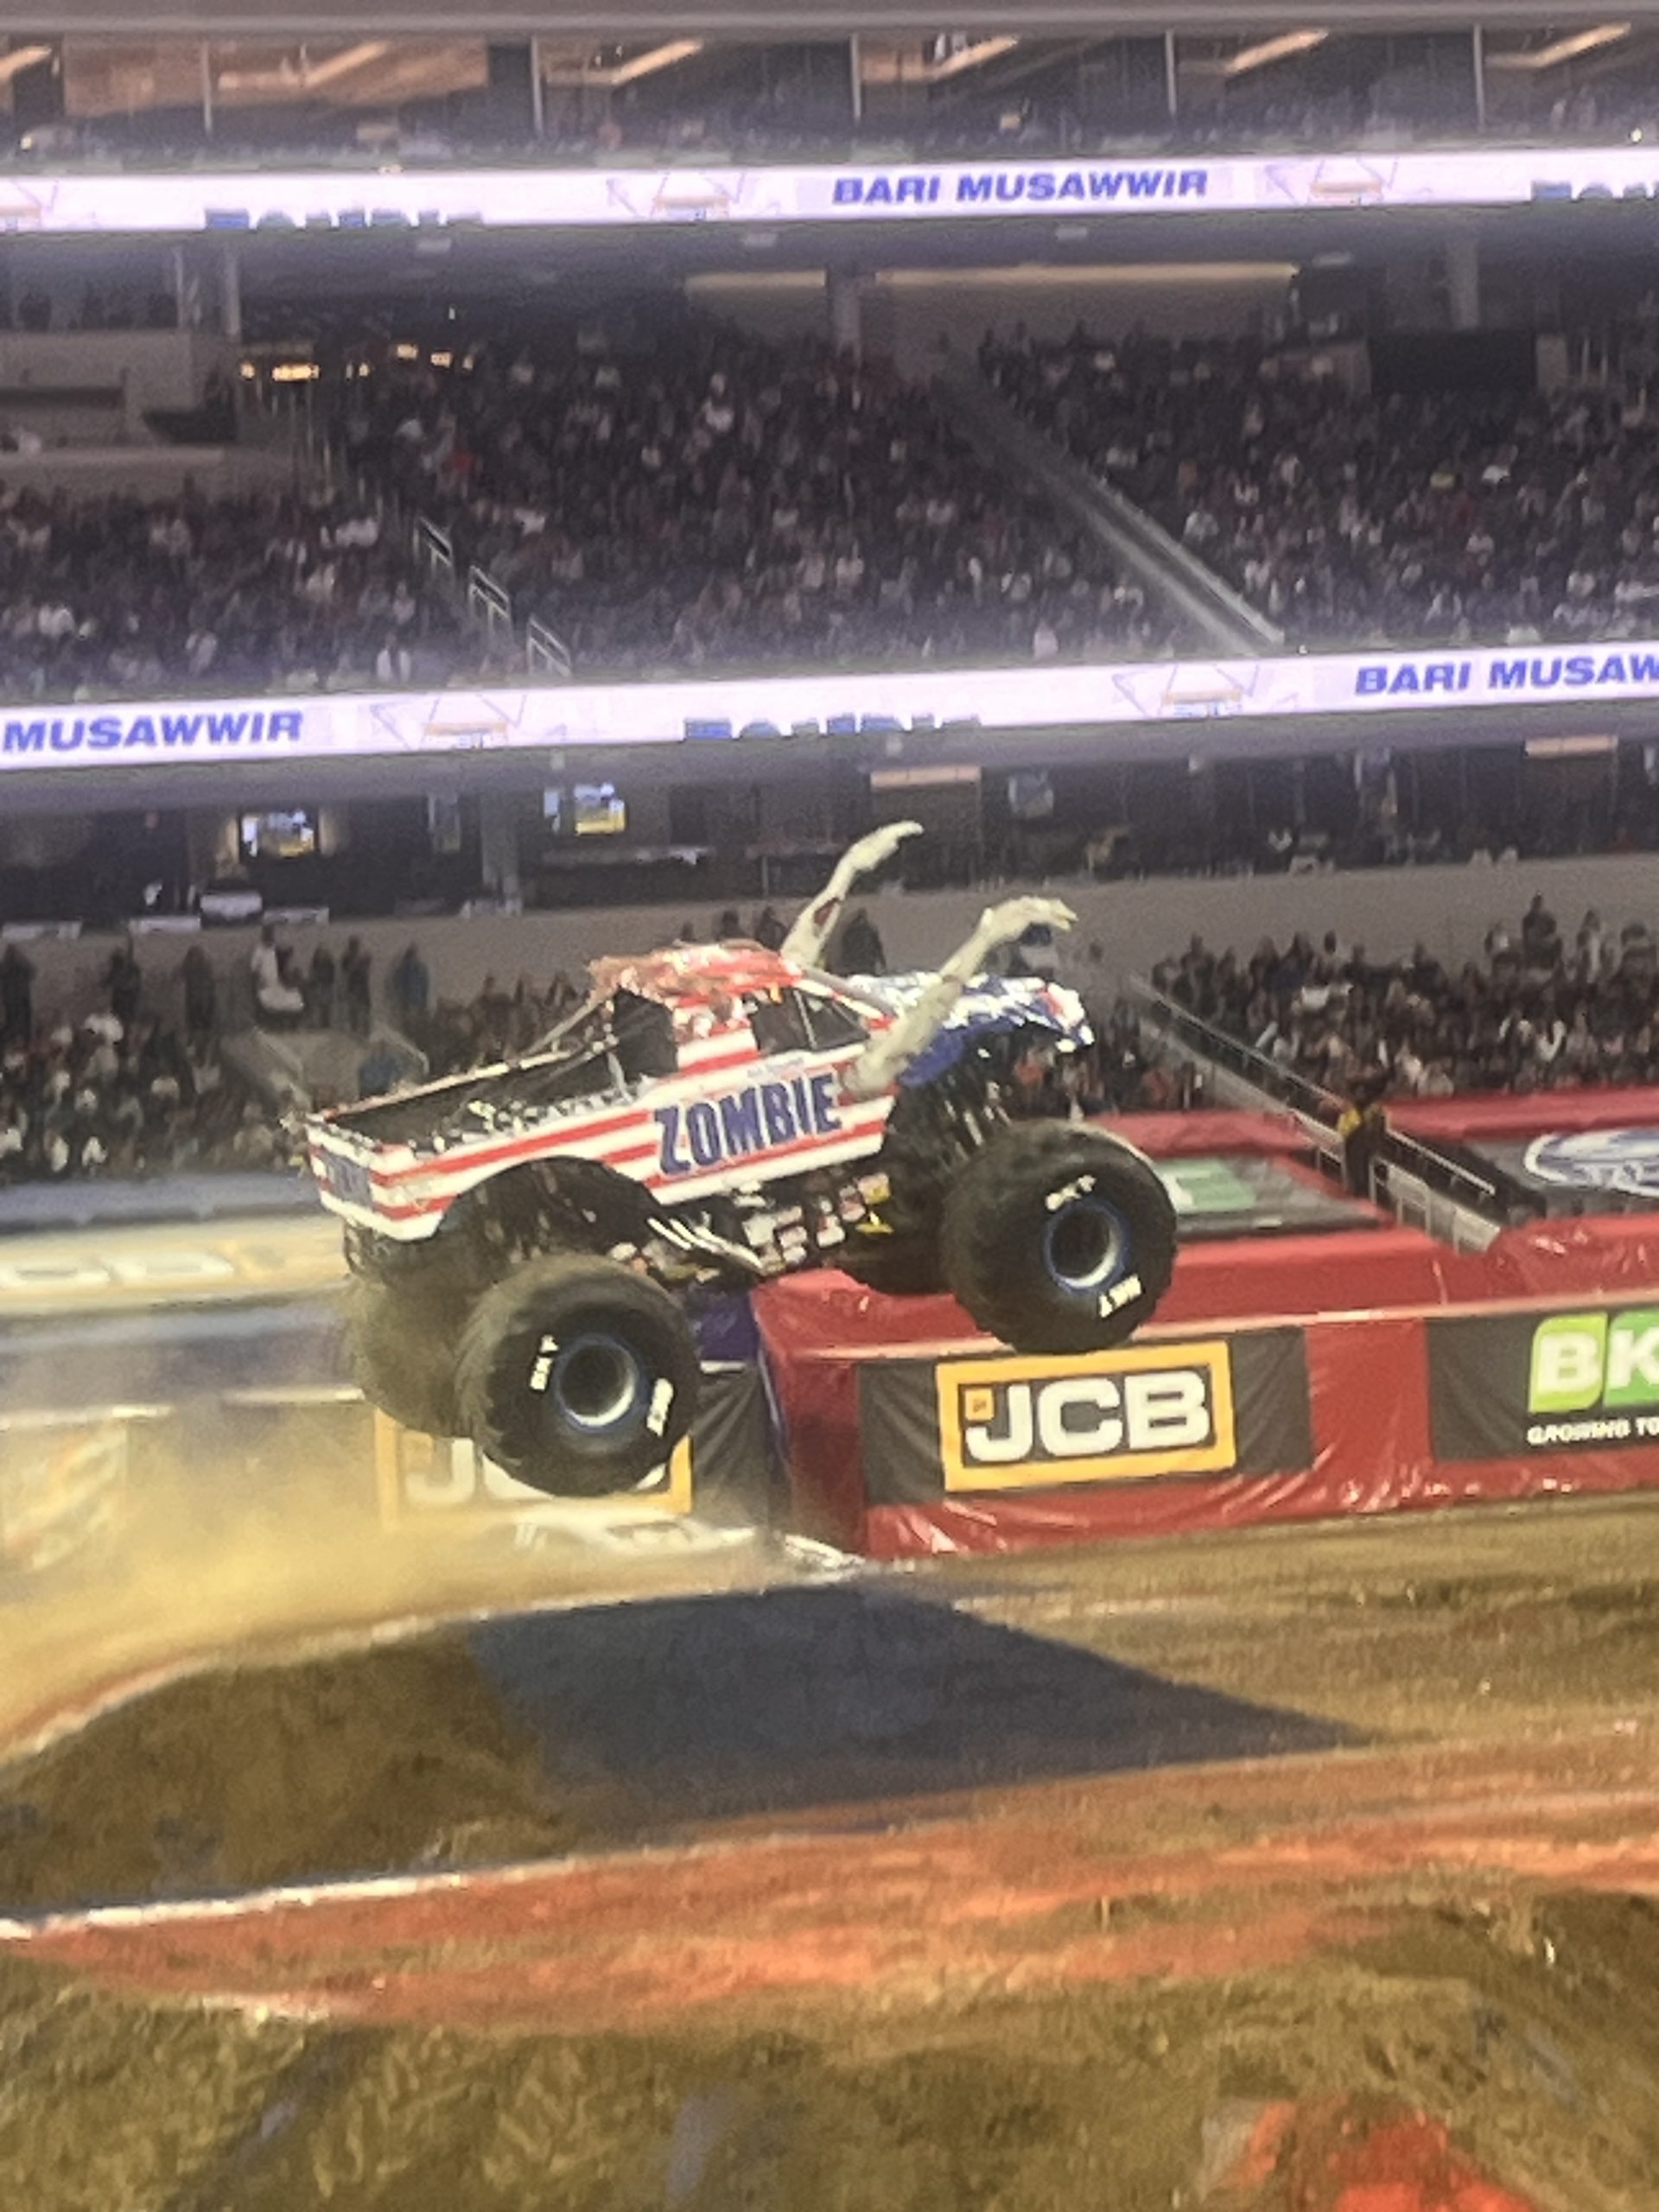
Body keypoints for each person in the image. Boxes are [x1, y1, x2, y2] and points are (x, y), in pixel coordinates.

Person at [250, 925, 304, 1027]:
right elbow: (254, 969)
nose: (270, 936)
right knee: (267, 1005)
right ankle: (266, 1025)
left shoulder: (273, 949)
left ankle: (288, 1026)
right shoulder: (259, 951)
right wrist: (258, 982)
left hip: (276, 984)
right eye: (268, 934)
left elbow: (282, 959)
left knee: (293, 1001)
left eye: (271, 934)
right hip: (265, 987)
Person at [181, 944, 216, 1049]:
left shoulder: (199, 968)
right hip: (198, 998)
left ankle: (199, 1044)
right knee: (198, 1023)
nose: (194, 960)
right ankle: (196, 1043)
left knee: (201, 1023)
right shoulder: (195, 968)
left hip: (200, 998)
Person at [0, 942, 33, 1049]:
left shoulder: (20, 967)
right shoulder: (19, 967)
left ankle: (21, 1043)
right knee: (16, 1021)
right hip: (15, 999)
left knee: (19, 1022)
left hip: (18, 1000)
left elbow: (32, 971)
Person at [390, 943, 430, 1025]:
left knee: (406, 1019)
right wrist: (424, 1002)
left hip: (405, 1000)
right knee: (416, 1020)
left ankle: (408, 1026)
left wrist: (397, 998)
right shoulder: (421, 968)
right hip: (418, 1000)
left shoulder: (402, 967)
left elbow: (397, 984)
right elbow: (425, 986)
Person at [105, 940, 142, 1031]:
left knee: (127, 1017)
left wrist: (123, 986)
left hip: (129, 998)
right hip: (119, 997)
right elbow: (109, 980)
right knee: (116, 1017)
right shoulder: (116, 968)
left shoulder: (133, 968)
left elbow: (134, 983)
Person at [839, 906, 887, 975]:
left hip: (864, 962)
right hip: (858, 963)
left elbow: (878, 946)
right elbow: (878, 946)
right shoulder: (853, 931)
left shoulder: (869, 931)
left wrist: (882, 961)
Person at [342, 938, 372, 1036]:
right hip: (353, 987)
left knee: (364, 1009)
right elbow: (346, 971)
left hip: (362, 987)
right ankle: (355, 1029)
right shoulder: (347, 958)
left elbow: (366, 969)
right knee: (354, 1009)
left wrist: (363, 962)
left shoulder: (361, 958)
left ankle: (365, 1030)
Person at [307, 943, 337, 1029]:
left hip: (326, 986)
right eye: (320, 953)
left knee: (326, 1005)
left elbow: (332, 977)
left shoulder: (330, 965)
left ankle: (326, 1023)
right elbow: (313, 976)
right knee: (319, 1005)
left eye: (323, 954)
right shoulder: (315, 965)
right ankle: (318, 1023)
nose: (322, 956)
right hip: (319, 986)